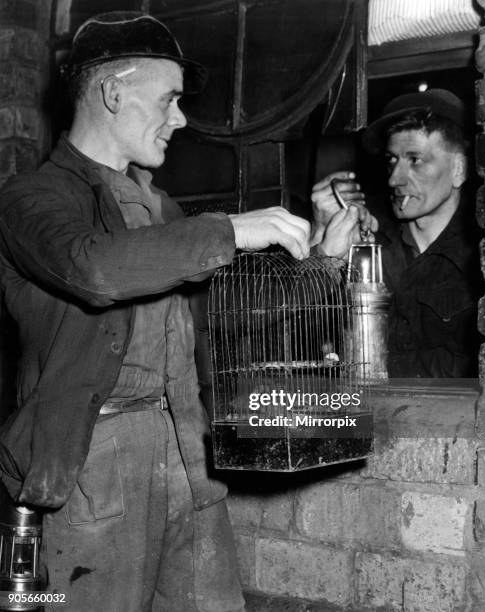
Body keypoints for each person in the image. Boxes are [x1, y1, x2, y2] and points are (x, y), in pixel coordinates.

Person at [0, 11, 372, 612]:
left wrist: (326, 261)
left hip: (186, 457)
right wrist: (229, 228)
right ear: (113, 92)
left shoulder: (163, 210)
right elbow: (94, 269)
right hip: (92, 472)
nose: (180, 118)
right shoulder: (32, 199)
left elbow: (224, 321)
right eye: (169, 99)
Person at [312, 88, 484, 378]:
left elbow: (472, 368)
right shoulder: (369, 237)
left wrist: (372, 367)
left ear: (459, 170)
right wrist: (321, 241)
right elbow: (314, 342)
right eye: (392, 160)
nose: (394, 178)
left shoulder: (480, 254)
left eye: (415, 160)